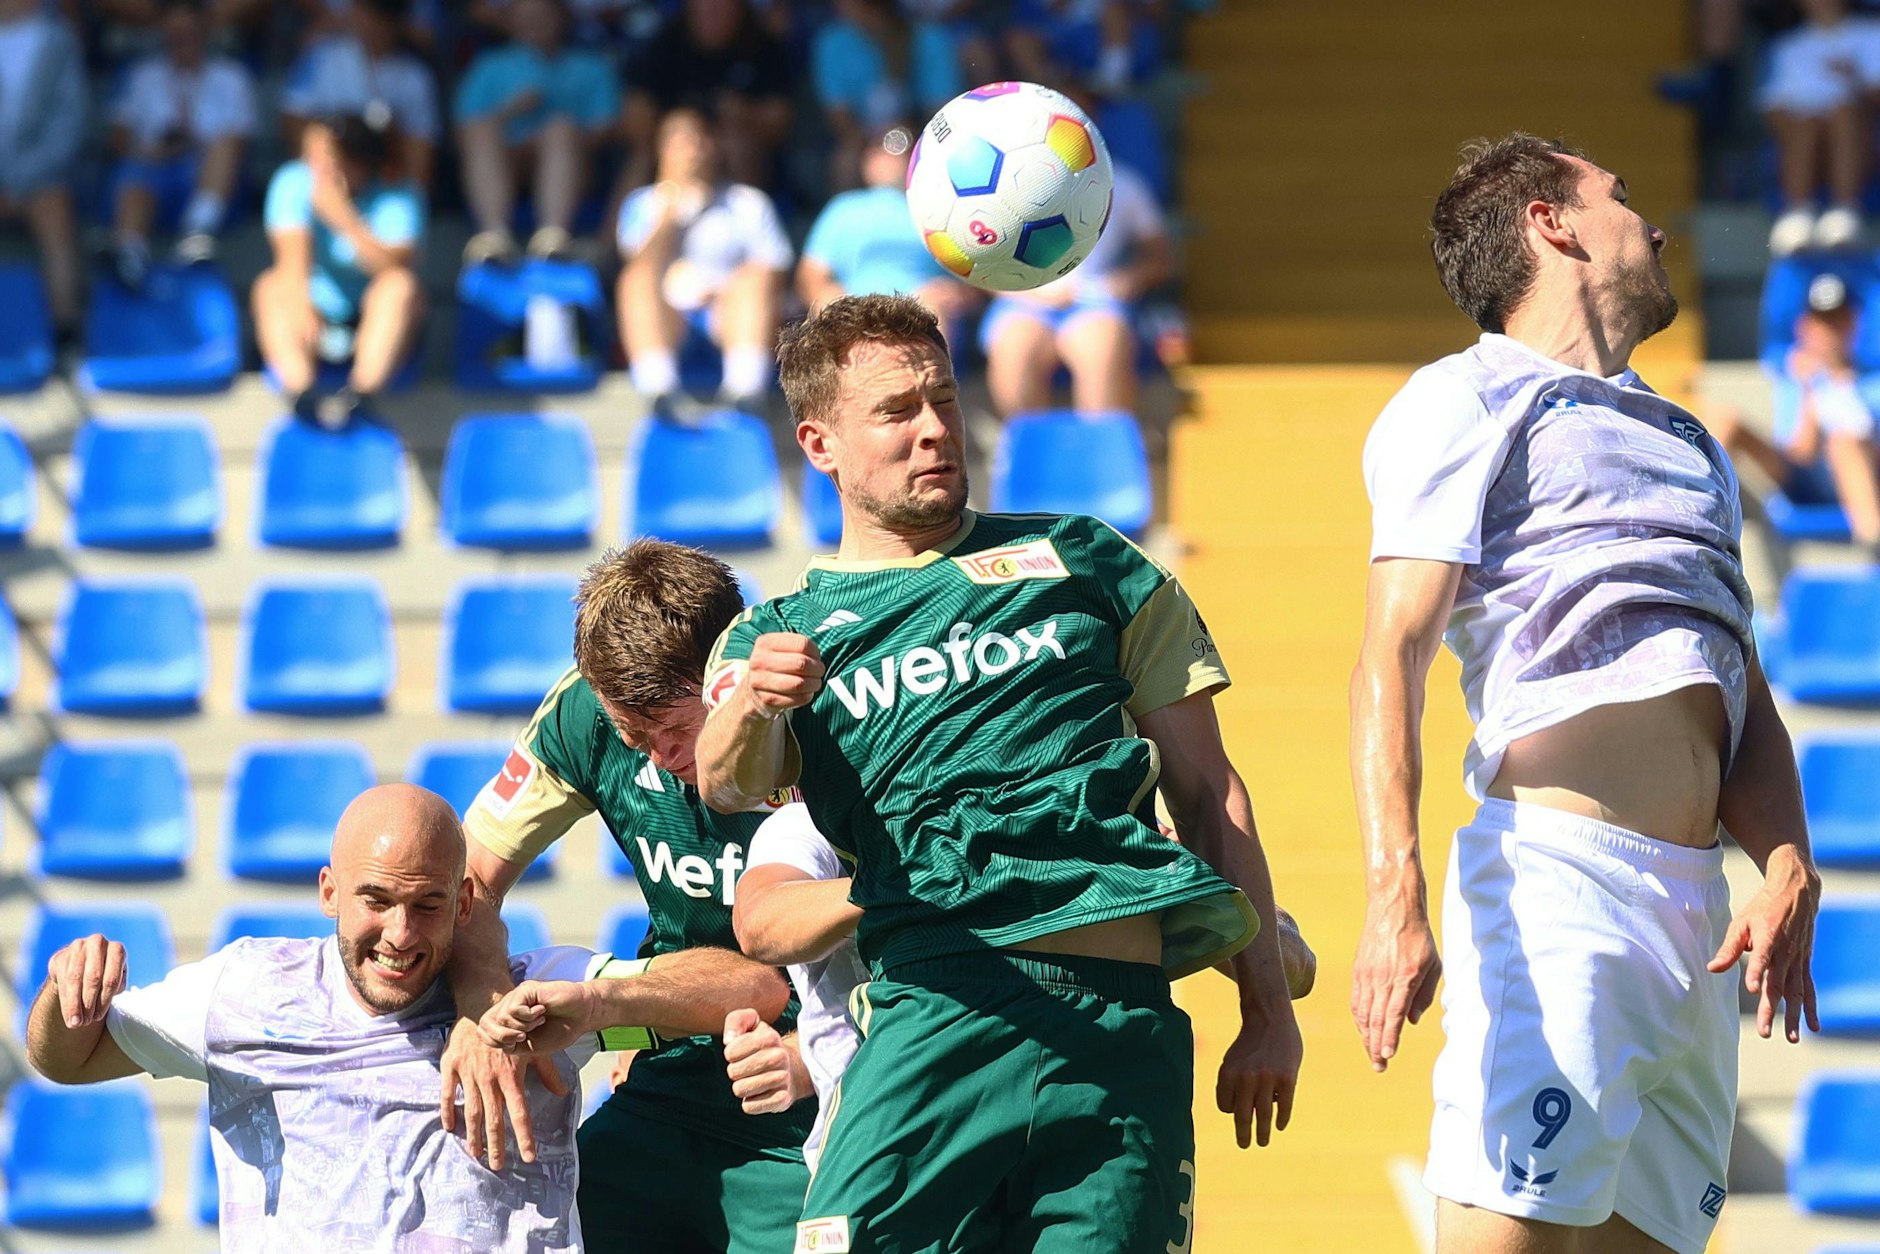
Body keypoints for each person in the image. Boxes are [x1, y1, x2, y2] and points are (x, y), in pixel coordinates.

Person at [694, 292, 1303, 1254]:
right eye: (896, 412)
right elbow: (726, 783)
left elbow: (1211, 793)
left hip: (1119, 1026)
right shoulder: (778, 630)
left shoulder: (1086, 561)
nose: (935, 429)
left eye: (943, 398)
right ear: (821, 445)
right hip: (936, 1012)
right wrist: (754, 704)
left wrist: (1266, 1009)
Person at [1350, 134, 1822, 1254]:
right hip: (1557, 894)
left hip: (1695, 923)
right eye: (1622, 198)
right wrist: (1391, 893)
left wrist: (1787, 856)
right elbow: (1389, 652)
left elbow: (1731, 675)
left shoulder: (1688, 437)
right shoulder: (1458, 399)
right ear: (1548, 223)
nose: (1651, 227)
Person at [22, 782, 771, 1250]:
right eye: (376, 901)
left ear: (466, 903)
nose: (401, 935)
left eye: (427, 905)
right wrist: (65, 996)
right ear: (328, 893)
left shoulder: (532, 1001)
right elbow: (66, 1058)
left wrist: (603, 1004)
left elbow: (756, 991)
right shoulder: (244, 991)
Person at [440, 539, 817, 1254]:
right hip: (672, 1072)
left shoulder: (823, 715)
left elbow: (920, 923)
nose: (659, 758)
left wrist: (809, 1054)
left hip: (817, 1081)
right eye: (630, 733)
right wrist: (479, 1012)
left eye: (678, 729)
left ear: (731, 670)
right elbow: (466, 883)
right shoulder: (581, 714)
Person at [731, 801, 1321, 1174]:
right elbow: (763, 924)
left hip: (1070, 1130)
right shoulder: (802, 829)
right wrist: (921, 876)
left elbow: (1296, 964)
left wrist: (1179, 874)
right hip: (891, 1148)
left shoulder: (1075, 814)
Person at [255, 109, 427, 429]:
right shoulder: (293, 180)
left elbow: (390, 267)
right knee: (271, 287)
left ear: (358, 162)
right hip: (314, 318)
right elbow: (290, 259)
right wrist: (301, 307)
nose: (317, 166)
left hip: (370, 322)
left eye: (327, 156)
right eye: (312, 155)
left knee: (400, 287)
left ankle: (361, 395)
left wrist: (343, 218)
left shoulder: (398, 194)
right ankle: (302, 395)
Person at [615, 107, 792, 411]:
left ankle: (745, 394)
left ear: (712, 146)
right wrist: (669, 213)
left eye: (696, 141)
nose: (691, 152)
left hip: (728, 312)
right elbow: (636, 263)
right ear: (662, 151)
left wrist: (726, 289)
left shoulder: (747, 202)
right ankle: (660, 393)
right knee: (636, 280)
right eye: (679, 143)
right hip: (669, 316)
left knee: (756, 279)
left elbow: (775, 269)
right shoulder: (642, 203)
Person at [982, 157, 1174, 418]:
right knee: (1015, 350)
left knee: (1103, 350)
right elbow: (982, 266)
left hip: (1096, 299)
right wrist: (1023, 291)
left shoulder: (1124, 182)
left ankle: (1100, 450)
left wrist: (1128, 279)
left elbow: (1160, 258)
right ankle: (1030, 451)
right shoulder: (1003, 183)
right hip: (1023, 298)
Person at [1714, 272, 1880, 545]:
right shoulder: (1795, 380)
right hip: (1805, 479)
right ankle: (1704, 507)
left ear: (1854, 324)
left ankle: (1873, 544)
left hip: (1865, 477)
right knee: (1724, 417)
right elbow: (1801, 452)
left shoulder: (1871, 382)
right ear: (1805, 327)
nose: (1829, 332)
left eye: (1838, 322)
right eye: (1822, 322)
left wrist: (1840, 387)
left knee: (1845, 443)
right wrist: (1810, 391)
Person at [455, 0, 621, 265]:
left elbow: (605, 131)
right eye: (525, 16)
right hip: (505, 164)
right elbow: (464, 134)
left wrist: (551, 138)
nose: (534, 23)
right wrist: (509, 112)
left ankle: (553, 236)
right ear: (511, 21)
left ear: (562, 18)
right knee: (483, 130)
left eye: (542, 15)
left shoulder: (593, 67)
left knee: (560, 127)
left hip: (574, 168)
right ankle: (494, 235)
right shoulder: (489, 67)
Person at [105, 0, 258, 286]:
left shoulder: (233, 78)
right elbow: (118, 134)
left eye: (188, 34)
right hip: (152, 170)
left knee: (224, 148)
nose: (181, 42)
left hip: (209, 179)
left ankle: (198, 234)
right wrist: (150, 152)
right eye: (174, 35)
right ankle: (130, 254)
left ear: (205, 31)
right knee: (133, 172)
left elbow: (240, 141)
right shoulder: (142, 76)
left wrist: (194, 145)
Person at [797, 121, 976, 325]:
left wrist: (955, 294)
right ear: (867, 161)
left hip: (921, 311)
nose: (890, 160)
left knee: (931, 310)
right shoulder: (843, 209)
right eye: (880, 151)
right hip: (855, 311)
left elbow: (974, 280)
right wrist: (836, 305)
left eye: (901, 151)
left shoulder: (939, 212)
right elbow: (811, 275)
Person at [619, 0, 793, 191]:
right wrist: (677, 125)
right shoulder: (666, 44)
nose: (714, 13)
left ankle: (746, 219)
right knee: (647, 154)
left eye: (722, 8)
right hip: (672, 145)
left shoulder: (760, 46)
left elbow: (780, 119)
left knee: (737, 145)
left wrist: (746, 113)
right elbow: (635, 117)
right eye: (707, 9)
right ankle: (623, 221)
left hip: (735, 144)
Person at [282, 0, 441, 190]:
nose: (375, 23)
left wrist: (387, 140)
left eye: (384, 15)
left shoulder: (415, 78)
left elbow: (418, 170)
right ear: (356, 10)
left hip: (381, 183)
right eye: (369, 10)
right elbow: (294, 122)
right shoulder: (321, 58)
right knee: (290, 183)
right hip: (324, 180)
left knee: (405, 205)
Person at [811, 0, 962, 191]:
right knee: (846, 161)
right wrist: (870, 143)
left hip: (917, 136)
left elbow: (942, 114)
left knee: (892, 162)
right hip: (860, 140)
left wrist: (906, 133)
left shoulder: (929, 38)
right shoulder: (832, 42)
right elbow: (839, 117)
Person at [0, 0, 85, 338]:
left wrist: (16, 182)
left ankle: (65, 330)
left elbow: (69, 123)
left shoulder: (58, 41)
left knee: (55, 207)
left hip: (38, 180)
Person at [1761, 0, 1872, 254]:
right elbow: (1772, 108)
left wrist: (1855, 80)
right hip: (1803, 139)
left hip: (1862, 142)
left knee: (1843, 113)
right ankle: (1798, 212)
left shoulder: (1872, 34)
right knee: (1806, 123)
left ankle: (1846, 209)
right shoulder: (1786, 46)